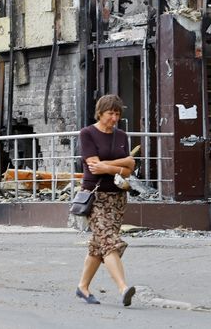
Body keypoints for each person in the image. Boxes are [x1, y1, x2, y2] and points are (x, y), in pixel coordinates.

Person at [75, 94, 136, 307]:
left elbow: (129, 170)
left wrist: (110, 166)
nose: (114, 118)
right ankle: (123, 288)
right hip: (95, 196)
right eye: (110, 113)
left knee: (98, 245)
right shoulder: (87, 134)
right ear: (100, 113)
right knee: (110, 242)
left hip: (118, 197)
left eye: (117, 114)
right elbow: (93, 165)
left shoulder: (121, 136)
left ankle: (82, 287)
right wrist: (123, 164)